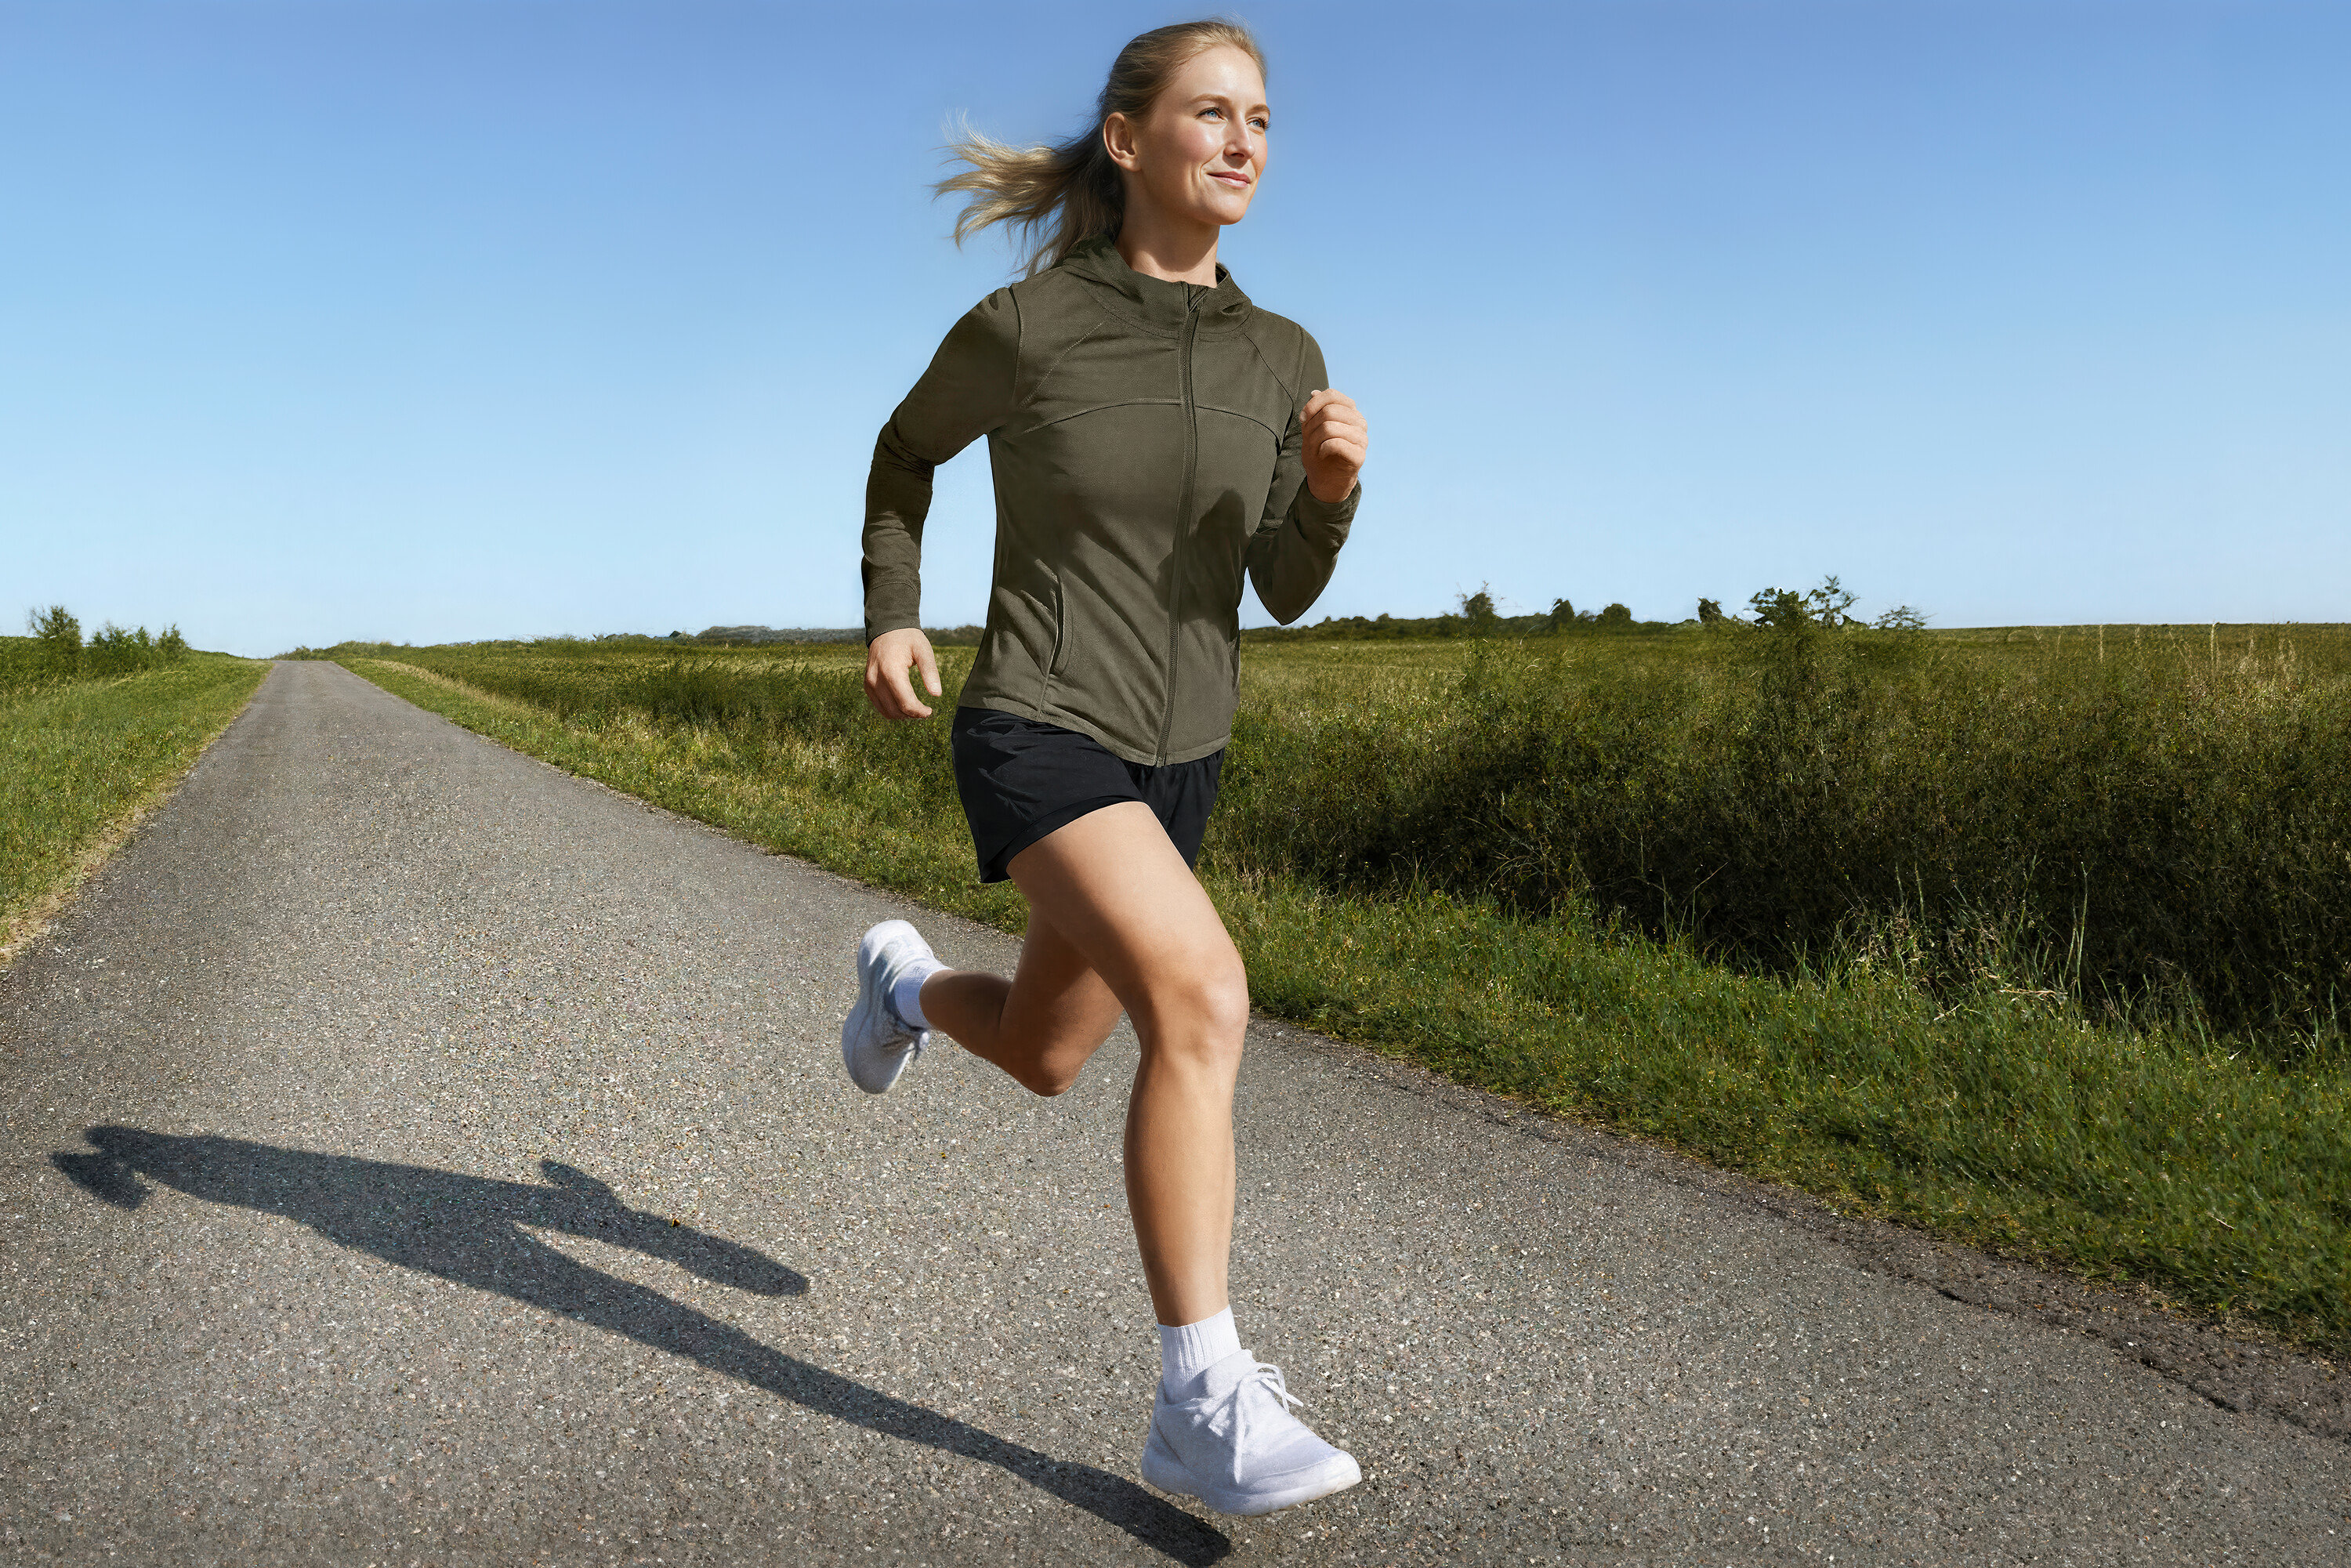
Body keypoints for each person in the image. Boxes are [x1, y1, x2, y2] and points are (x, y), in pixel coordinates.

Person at [846, 20, 1369, 1518]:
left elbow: (1281, 585)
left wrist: (1327, 494)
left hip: (1182, 755)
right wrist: (894, 613)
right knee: (1201, 992)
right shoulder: (1032, 325)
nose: (1247, 139)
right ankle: (1199, 1398)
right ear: (1131, 140)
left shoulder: (1286, 358)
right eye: (1213, 112)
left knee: (1042, 1044)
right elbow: (903, 452)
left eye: (1262, 117)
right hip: (1039, 722)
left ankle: (899, 987)